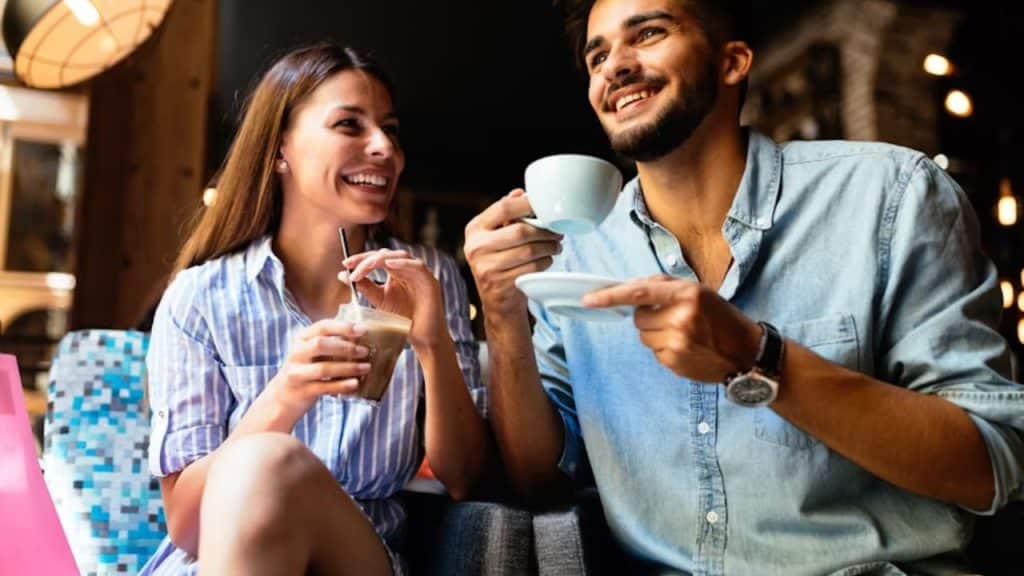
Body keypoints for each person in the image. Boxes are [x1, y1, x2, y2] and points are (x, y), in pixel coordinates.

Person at [463, 0, 1024, 573]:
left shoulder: (891, 195)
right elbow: (540, 476)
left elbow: (990, 465)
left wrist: (760, 359)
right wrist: (503, 313)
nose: (614, 66)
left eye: (648, 33)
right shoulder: (577, 252)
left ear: (732, 61)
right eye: (597, 55)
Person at [141, 43, 489, 576]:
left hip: (357, 557)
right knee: (263, 460)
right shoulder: (200, 299)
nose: (384, 148)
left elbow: (467, 478)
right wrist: (287, 393)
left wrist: (431, 343)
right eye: (350, 125)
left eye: (391, 130)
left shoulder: (429, 277)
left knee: (265, 461)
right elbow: (187, 525)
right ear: (281, 148)